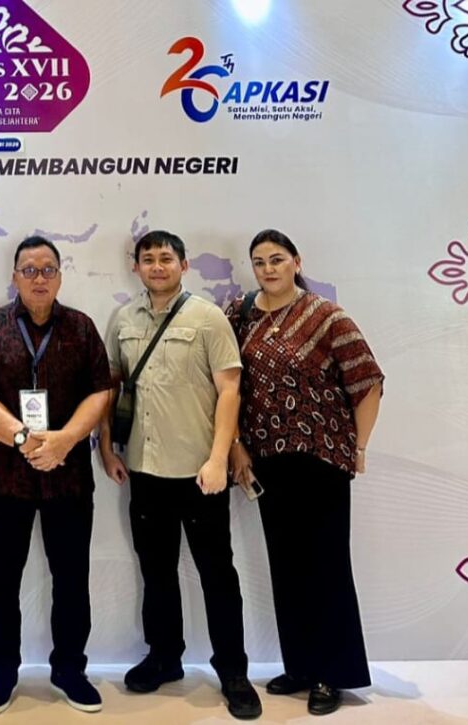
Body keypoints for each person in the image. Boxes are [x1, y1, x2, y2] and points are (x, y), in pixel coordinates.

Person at [99, 230, 262, 720]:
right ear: (136, 267)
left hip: (199, 473)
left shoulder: (207, 318)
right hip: (145, 470)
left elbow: (230, 391)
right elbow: (111, 387)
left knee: (218, 575)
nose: (157, 266)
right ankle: (164, 657)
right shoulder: (123, 319)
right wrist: (106, 448)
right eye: (148, 259)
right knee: (156, 572)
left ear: (184, 265)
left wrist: (218, 458)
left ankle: (233, 672)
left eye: (166, 258)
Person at [225, 229, 383, 716]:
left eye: (277, 259)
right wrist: (236, 446)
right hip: (267, 459)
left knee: (326, 567)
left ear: (297, 261)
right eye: (259, 262)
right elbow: (226, 386)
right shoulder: (241, 316)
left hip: (321, 459)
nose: (268, 269)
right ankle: (300, 666)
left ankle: (331, 675)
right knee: (286, 565)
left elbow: (367, 381)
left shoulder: (327, 316)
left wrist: (359, 447)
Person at [0, 236, 113, 716]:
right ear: (14, 277)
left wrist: (65, 440)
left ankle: (69, 669)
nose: (39, 278)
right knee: (1, 579)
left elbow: (101, 391)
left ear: (60, 277)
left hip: (67, 476)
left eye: (48, 269)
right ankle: (1, 672)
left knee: (71, 578)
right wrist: (22, 437)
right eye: (29, 270)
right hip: (6, 476)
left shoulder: (81, 328)